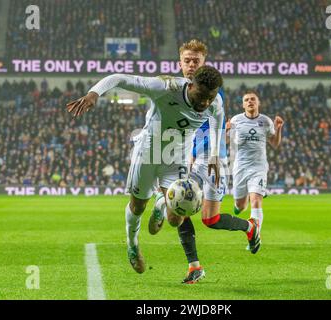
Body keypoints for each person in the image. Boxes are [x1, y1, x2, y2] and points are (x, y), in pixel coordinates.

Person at [66, 65, 224, 274]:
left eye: (210, 98)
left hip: (176, 159)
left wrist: (213, 153)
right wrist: (94, 93)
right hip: (148, 154)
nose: (205, 103)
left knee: (176, 218)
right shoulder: (165, 87)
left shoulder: (214, 103)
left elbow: (217, 120)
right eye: (201, 96)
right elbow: (119, 78)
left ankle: (160, 204)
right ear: (191, 85)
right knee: (138, 207)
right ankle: (132, 245)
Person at [148, 39, 229, 284]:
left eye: (197, 61)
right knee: (183, 206)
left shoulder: (210, 89)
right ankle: (195, 265)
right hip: (183, 155)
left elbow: (213, 125)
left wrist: (209, 154)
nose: (192, 65)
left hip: (205, 157)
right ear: (180, 63)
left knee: (204, 216)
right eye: (188, 60)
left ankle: (161, 202)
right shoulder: (171, 88)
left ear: (204, 63)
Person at [229, 91, 284, 252]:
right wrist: (225, 130)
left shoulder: (266, 121)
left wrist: (278, 128)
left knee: (256, 201)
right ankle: (242, 201)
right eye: (246, 100)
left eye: (253, 99)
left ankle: (254, 238)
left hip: (259, 167)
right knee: (240, 205)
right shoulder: (236, 120)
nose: (250, 101)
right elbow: (226, 141)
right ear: (243, 105)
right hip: (240, 167)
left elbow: (274, 143)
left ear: (258, 103)